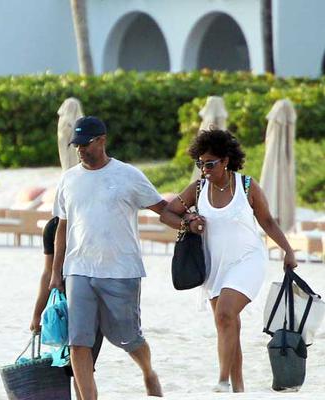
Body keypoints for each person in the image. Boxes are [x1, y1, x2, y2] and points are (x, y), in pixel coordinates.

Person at [159, 128, 297, 393]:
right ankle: (238, 389)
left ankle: (222, 379)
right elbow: (167, 214)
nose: (204, 169)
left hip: (248, 260)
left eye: (209, 163)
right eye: (200, 163)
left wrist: (288, 251)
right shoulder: (198, 188)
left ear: (225, 160)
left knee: (225, 314)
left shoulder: (247, 186)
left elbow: (267, 221)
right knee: (227, 324)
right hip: (214, 266)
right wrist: (188, 221)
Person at [49, 116, 166, 400]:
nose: (80, 150)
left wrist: (189, 221)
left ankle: (148, 372)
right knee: (78, 342)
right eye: (76, 145)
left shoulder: (128, 175)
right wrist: (56, 272)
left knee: (128, 338)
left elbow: (162, 207)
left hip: (121, 269)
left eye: (85, 144)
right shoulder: (69, 179)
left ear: (102, 140)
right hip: (78, 269)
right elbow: (62, 227)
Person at [30, 216, 104, 400]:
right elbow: (48, 272)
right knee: (75, 367)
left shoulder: (94, 221)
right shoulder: (53, 226)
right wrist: (37, 314)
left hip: (95, 300)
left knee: (83, 365)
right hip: (64, 309)